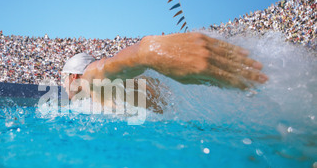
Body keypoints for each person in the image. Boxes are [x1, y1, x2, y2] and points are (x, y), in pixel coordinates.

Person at [61, 32, 268, 112]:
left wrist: (147, 51)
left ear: (73, 77)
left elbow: (102, 68)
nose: (62, 86)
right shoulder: (131, 87)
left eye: (63, 80)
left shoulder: (89, 82)